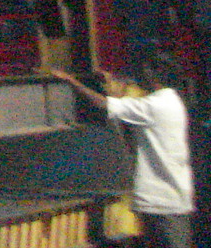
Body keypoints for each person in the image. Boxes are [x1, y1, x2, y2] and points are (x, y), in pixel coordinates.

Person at [51, 53, 193, 248]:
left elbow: (105, 105)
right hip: (169, 199)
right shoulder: (170, 101)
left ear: (155, 76)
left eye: (144, 73)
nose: (140, 78)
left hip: (162, 201)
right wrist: (111, 87)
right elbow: (125, 110)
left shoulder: (156, 105)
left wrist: (71, 81)